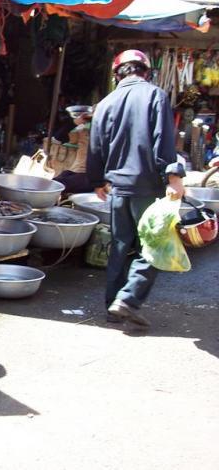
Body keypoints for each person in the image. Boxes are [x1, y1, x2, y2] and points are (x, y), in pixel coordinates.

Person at [87, 49, 185, 328]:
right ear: (145, 71)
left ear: (117, 74)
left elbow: (95, 148)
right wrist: (173, 175)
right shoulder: (155, 95)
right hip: (146, 185)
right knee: (155, 243)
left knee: (120, 246)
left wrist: (97, 181)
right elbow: (163, 139)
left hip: (117, 186)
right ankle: (127, 300)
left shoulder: (105, 103)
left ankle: (112, 306)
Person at [53, 109, 93, 194]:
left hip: (97, 177)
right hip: (77, 171)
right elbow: (57, 139)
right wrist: (74, 122)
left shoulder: (115, 135)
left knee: (60, 184)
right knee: (55, 183)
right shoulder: (85, 132)